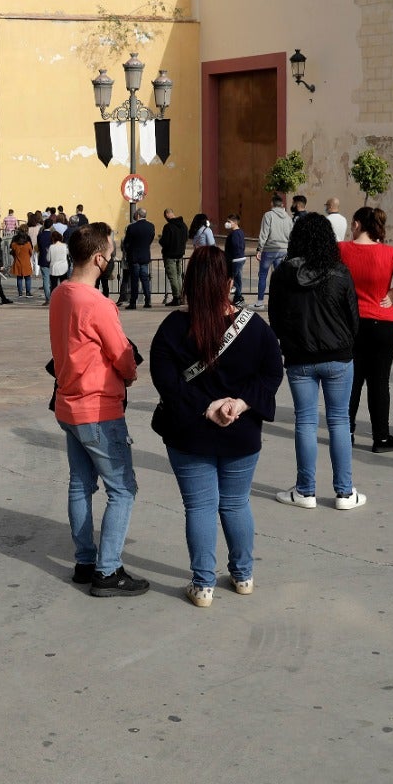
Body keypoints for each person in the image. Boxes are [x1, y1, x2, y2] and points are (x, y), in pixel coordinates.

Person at [148, 245, 284, 606]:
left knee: (200, 506)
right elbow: (272, 371)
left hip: (188, 433)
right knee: (237, 503)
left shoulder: (173, 328)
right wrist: (239, 404)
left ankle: (203, 584)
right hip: (241, 431)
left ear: (190, 283)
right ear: (228, 282)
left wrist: (206, 408)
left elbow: (166, 382)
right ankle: (243, 576)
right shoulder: (255, 328)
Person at [49, 223, 148, 595]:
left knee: (80, 484)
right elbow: (122, 355)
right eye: (110, 252)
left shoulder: (62, 294)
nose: (112, 257)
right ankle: (107, 571)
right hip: (98, 408)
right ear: (98, 258)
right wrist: (131, 372)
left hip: (69, 403)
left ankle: (86, 560)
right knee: (122, 489)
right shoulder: (96, 303)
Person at [268, 214, 364, 510]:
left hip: (299, 357)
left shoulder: (284, 273)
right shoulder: (340, 272)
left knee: (306, 422)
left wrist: (290, 341)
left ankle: (305, 490)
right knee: (339, 421)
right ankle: (344, 493)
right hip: (338, 356)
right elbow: (353, 318)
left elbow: (275, 317)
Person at [338, 206, 393, 453]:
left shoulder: (341, 250)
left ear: (356, 225)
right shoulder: (390, 253)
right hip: (382, 320)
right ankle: (381, 437)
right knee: (379, 382)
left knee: (351, 381)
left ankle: (347, 431)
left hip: (350, 322)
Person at [254, 195, 292, 309]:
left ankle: (260, 302)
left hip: (269, 250)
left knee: (263, 275)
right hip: (283, 250)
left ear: (272, 204)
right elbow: (291, 235)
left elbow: (264, 233)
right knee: (279, 277)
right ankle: (281, 301)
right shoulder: (288, 217)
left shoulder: (268, 215)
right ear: (282, 205)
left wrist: (259, 249)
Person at [120, 207, 155, 310]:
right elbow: (150, 239)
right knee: (145, 279)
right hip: (145, 256)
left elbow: (126, 243)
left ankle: (133, 302)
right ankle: (148, 300)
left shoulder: (132, 227)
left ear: (138, 215)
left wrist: (129, 249)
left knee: (134, 280)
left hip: (134, 257)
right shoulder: (150, 226)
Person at [158, 208, 189, 306]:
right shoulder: (183, 225)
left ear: (167, 215)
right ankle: (181, 296)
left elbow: (165, 242)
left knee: (173, 277)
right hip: (180, 254)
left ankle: (176, 297)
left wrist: (160, 240)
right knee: (179, 276)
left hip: (170, 255)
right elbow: (186, 238)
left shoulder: (168, 227)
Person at [223, 214, 247, 305]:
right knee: (237, 279)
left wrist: (230, 257)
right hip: (240, 258)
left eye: (229, 222)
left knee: (231, 279)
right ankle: (238, 297)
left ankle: (237, 297)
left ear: (235, 223)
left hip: (235, 260)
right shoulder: (240, 232)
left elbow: (235, 246)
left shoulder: (234, 234)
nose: (227, 223)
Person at [46, 229, 70, 297]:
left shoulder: (51, 247)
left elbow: (48, 259)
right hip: (63, 268)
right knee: (63, 285)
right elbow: (67, 253)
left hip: (54, 268)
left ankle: (54, 298)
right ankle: (64, 297)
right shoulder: (64, 246)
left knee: (53, 285)